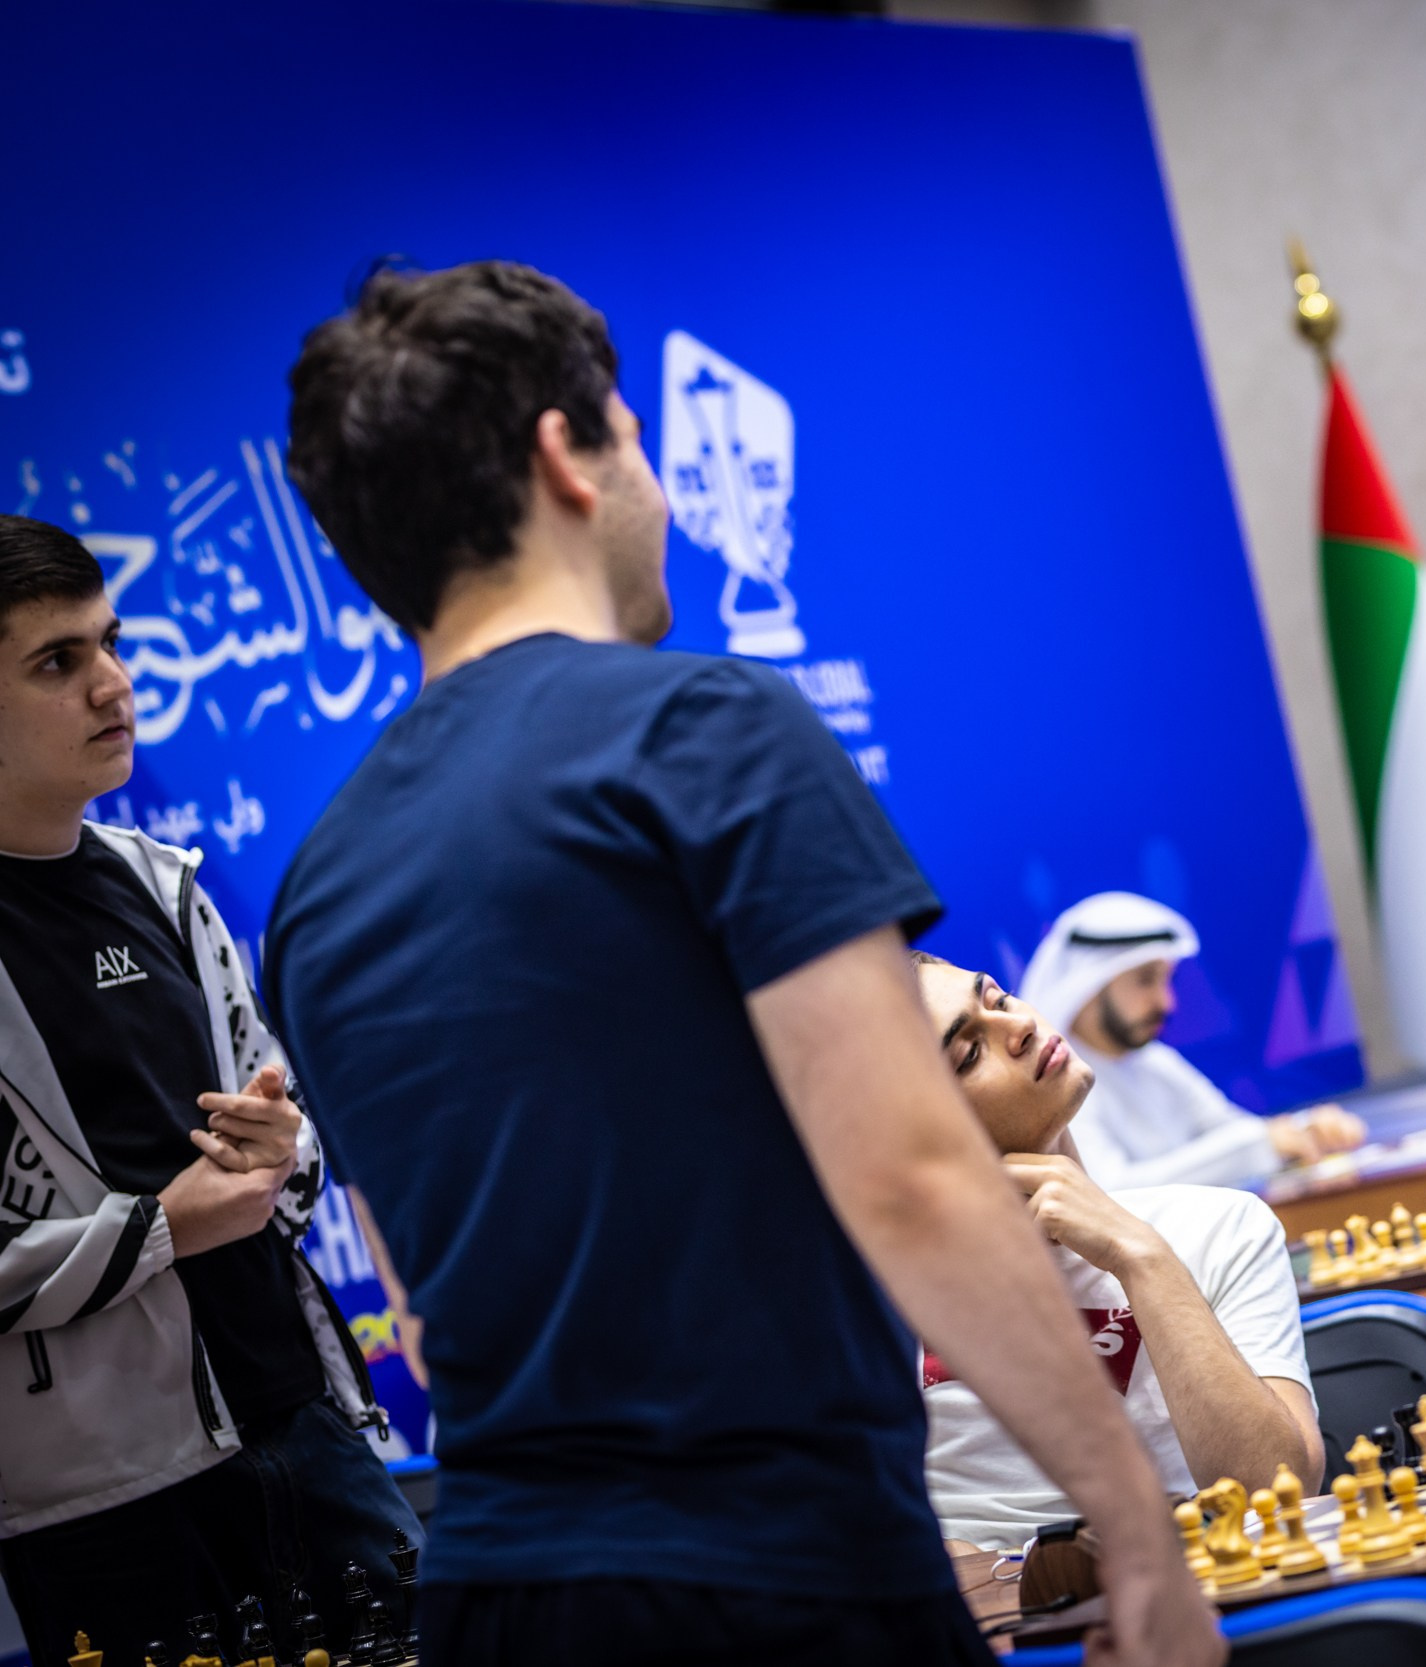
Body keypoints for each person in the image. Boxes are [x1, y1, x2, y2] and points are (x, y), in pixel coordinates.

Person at [264, 262, 1219, 1666]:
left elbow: (416, 1302)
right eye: (637, 436)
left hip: (493, 1602)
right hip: (780, 1576)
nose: (657, 485)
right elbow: (909, 1172)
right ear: (564, 455)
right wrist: (1138, 1532)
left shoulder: (312, 891)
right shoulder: (704, 728)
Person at [0, 516, 419, 1657]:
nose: (112, 685)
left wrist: (281, 1148)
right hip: (105, 1497)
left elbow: (289, 1141)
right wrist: (158, 1230)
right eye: (58, 661)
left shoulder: (166, 883)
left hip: (303, 1421)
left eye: (110, 642)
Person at [910, 950, 1322, 1549]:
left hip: (1208, 1608)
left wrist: (1141, 1258)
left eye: (997, 1000)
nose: (1020, 1026)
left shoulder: (1221, 1228)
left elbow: (1275, 1491)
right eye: (970, 1053)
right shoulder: (874, 1299)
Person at [1020, 892, 1365, 1188]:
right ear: (1088, 986)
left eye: (1166, 980)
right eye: (1145, 980)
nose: (1167, 1002)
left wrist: (1305, 1132)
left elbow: (1233, 1130)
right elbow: (1110, 1192)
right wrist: (1262, 1144)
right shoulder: (1055, 1080)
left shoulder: (1155, 1062)